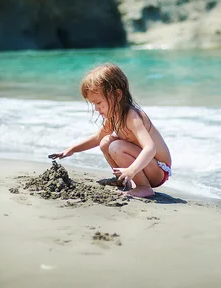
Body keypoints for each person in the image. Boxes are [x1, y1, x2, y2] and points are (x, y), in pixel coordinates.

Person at [51, 63, 172, 198]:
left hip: (159, 170)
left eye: (98, 103)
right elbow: (97, 139)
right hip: (142, 167)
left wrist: (131, 170)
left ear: (117, 95)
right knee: (105, 142)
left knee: (116, 146)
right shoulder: (114, 117)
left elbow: (150, 148)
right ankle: (121, 179)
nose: (96, 109)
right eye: (93, 104)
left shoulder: (132, 116)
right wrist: (72, 149)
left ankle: (144, 187)